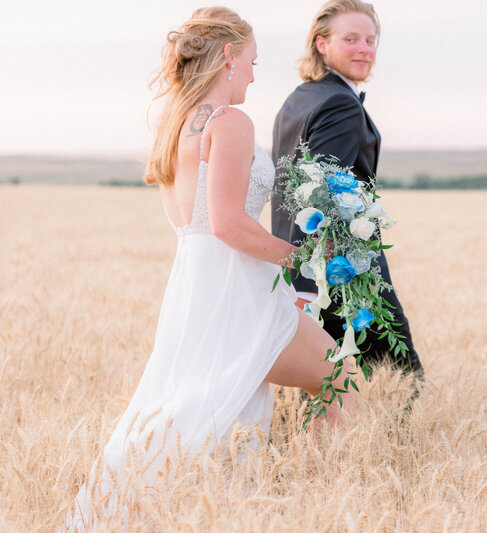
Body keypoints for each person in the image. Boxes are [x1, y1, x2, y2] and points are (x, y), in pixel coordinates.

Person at [66, 7, 354, 528]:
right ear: (228, 56)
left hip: (197, 287)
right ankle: (330, 502)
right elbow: (226, 224)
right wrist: (302, 259)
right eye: (251, 62)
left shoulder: (177, 123)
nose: (251, 73)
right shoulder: (230, 122)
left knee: (199, 406)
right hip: (236, 287)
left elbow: (204, 227)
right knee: (338, 377)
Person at [271, 0, 423, 377]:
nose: (364, 49)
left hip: (304, 261)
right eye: (351, 39)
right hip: (344, 270)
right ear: (321, 44)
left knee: (325, 379)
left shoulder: (301, 97)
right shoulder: (340, 102)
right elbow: (320, 195)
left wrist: (297, 276)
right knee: (398, 373)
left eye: (370, 40)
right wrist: (308, 284)